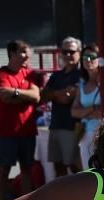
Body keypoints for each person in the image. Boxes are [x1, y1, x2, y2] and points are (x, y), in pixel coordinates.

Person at [0, 39, 40, 200]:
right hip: (7, 132)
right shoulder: (0, 74)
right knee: (4, 169)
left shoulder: (30, 73)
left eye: (28, 51)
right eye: (23, 51)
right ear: (12, 54)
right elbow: (5, 98)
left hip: (27, 131)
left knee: (26, 168)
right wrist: (25, 96)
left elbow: (36, 96)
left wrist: (15, 93)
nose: (27, 55)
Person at [40, 37, 82, 177]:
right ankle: (63, 196)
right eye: (65, 52)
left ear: (79, 52)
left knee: (75, 165)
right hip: (56, 124)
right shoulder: (57, 75)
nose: (68, 55)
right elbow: (43, 96)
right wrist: (60, 93)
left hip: (73, 126)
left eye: (71, 51)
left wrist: (54, 94)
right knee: (58, 166)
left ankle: (82, 196)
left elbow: (65, 98)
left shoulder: (82, 74)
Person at [71, 43, 102, 169]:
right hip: (85, 134)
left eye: (92, 56)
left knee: (103, 171)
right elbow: (73, 112)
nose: (88, 60)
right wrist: (94, 108)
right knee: (88, 172)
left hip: (102, 134)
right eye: (84, 57)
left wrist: (84, 112)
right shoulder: (82, 85)